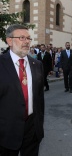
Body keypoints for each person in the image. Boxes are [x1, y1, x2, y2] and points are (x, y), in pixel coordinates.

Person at [0, 24, 44, 156]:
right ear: (9, 41)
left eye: (28, 38)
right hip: (6, 130)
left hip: (32, 128)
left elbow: (40, 99)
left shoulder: (37, 65)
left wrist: (39, 124)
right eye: (22, 38)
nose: (26, 42)